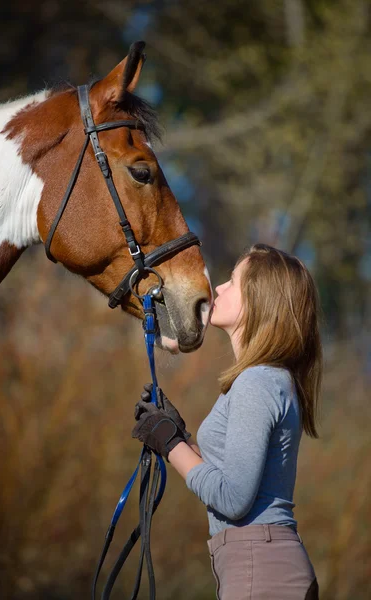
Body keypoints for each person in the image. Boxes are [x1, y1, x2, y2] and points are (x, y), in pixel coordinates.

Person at [132, 243, 322, 600]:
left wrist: (169, 444)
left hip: (261, 569)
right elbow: (231, 473)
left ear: (259, 300)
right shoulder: (263, 380)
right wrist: (180, 435)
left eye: (233, 282)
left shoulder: (257, 382)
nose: (218, 288)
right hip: (258, 565)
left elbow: (233, 498)